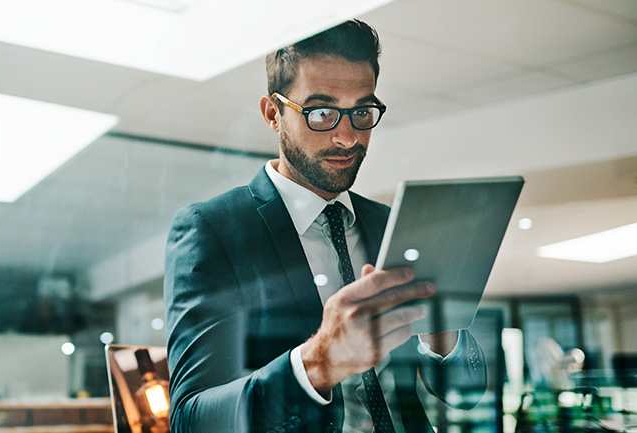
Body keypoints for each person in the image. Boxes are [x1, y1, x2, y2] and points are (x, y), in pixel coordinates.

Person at [164, 20, 487, 433]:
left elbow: (469, 392)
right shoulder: (212, 230)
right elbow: (192, 419)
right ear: (272, 114)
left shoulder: (390, 224)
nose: (348, 137)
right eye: (321, 113)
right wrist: (318, 363)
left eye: (362, 112)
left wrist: (443, 339)